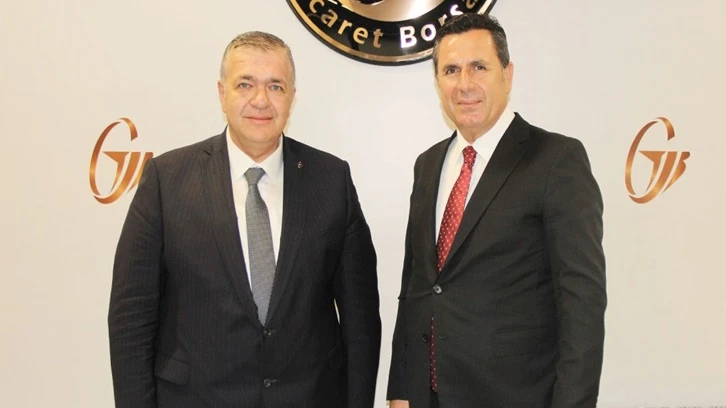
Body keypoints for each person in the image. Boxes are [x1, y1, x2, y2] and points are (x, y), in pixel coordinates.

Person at [108, 31, 381, 408]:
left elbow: (360, 319)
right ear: (222, 94)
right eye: (245, 84)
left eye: (275, 86)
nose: (261, 100)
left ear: (292, 97)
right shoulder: (166, 180)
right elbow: (131, 319)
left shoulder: (331, 180)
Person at [387, 13, 607, 408]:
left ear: (507, 74)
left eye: (479, 67)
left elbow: (582, 303)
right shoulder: (428, 165)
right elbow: (416, 285)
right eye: (451, 70)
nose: (464, 84)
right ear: (437, 81)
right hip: (427, 396)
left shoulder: (556, 160)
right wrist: (401, 389)